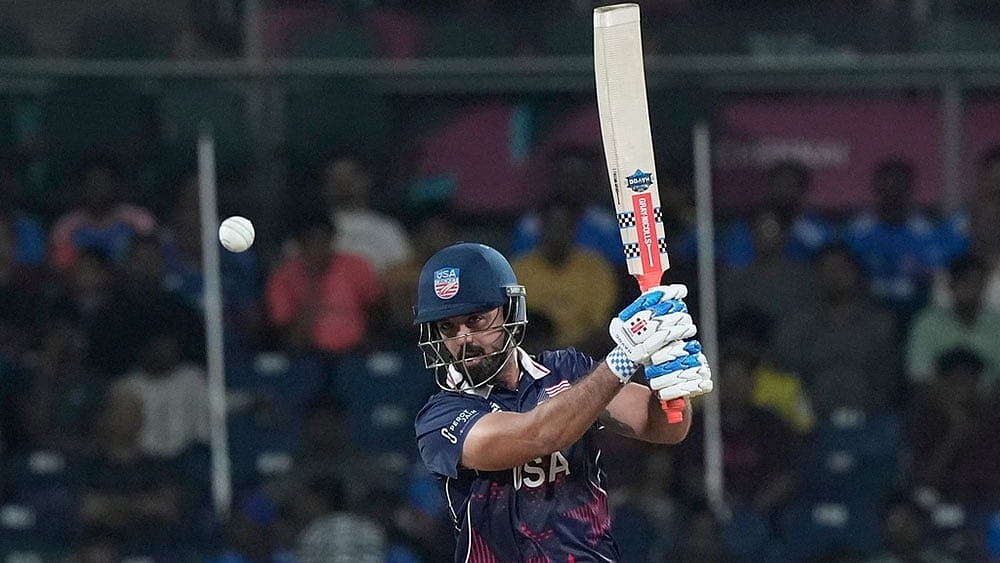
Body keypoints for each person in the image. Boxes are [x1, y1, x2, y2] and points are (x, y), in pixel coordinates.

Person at [411, 242, 713, 561]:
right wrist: (624, 359)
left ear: (510, 311)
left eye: (476, 320)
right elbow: (538, 435)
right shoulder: (440, 418)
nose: (464, 340)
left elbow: (667, 429)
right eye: (448, 327)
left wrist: (669, 377)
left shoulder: (567, 369)